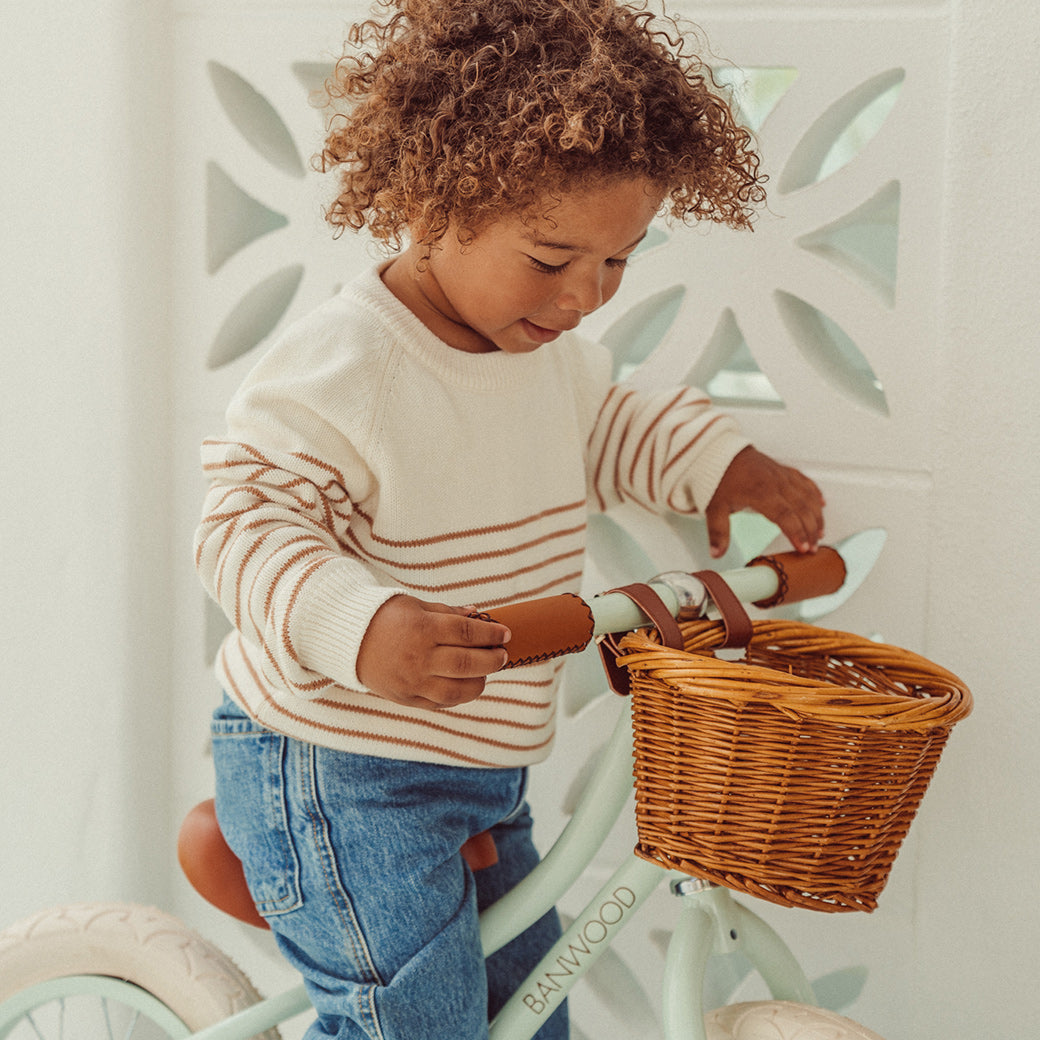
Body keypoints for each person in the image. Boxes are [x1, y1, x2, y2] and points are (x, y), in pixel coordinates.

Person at [194, 1, 825, 1038]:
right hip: (337, 761)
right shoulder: (350, 362)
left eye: (615, 262)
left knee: (533, 1014)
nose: (584, 296)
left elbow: (609, 426)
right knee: (416, 1025)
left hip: (482, 770)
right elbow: (241, 523)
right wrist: (360, 622)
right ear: (439, 203)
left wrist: (720, 465)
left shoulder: (549, 360)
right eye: (549, 258)